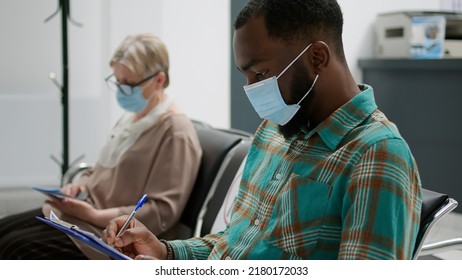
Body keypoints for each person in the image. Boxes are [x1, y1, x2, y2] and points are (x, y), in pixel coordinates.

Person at [102, 0, 422, 260]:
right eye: (247, 76)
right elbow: (237, 242)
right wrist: (167, 253)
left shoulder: (376, 156)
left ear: (317, 57)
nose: (253, 89)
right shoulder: (273, 131)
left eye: (261, 73)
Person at [0, 33, 202, 259]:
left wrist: (96, 215)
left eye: (129, 84)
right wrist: (80, 187)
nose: (121, 90)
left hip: (108, 233)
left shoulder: (175, 132)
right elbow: (102, 171)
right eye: (117, 81)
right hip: (81, 215)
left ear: (159, 80)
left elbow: (161, 212)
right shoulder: (132, 119)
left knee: (13, 248)